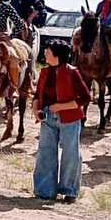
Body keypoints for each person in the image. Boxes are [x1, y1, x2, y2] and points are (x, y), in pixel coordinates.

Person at [32, 40, 91, 203]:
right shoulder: (44, 72)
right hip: (47, 118)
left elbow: (85, 98)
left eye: (48, 51)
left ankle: (69, 191)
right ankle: (44, 191)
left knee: (70, 154)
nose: (45, 53)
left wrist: (60, 107)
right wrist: (35, 109)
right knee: (45, 152)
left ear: (56, 55)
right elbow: (37, 96)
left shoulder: (72, 72)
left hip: (70, 118)